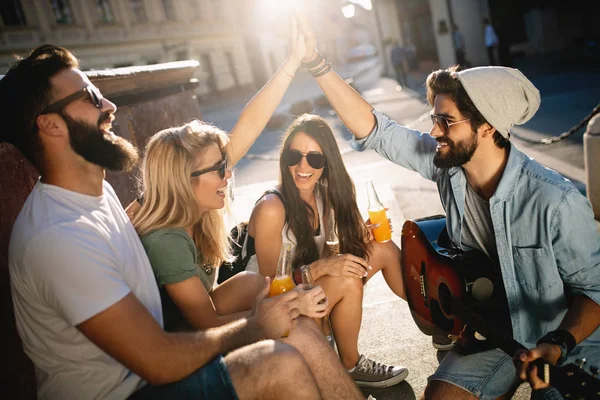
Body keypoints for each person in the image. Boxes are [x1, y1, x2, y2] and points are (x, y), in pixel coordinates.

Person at [3, 44, 367, 400]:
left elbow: (243, 132)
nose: (109, 105)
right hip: (133, 389)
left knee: (298, 329)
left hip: (154, 371)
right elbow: (158, 360)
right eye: (91, 98)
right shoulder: (59, 237)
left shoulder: (97, 196)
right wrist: (256, 324)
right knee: (279, 361)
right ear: (50, 124)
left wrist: (293, 61)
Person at [294, 12, 600, 400]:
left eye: (446, 120)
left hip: (565, 348)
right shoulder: (449, 168)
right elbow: (376, 130)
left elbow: (595, 291)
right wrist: (314, 62)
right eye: (434, 118)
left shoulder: (556, 201)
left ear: (487, 126)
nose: (434, 130)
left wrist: (557, 344)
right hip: (490, 331)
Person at [132, 32, 328, 334]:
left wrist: (292, 62)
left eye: (225, 165)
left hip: (205, 318)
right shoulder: (167, 240)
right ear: (182, 182)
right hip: (183, 347)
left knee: (257, 285)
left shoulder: (194, 197)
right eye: (219, 169)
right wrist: (282, 309)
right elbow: (208, 328)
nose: (228, 174)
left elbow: (249, 124)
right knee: (285, 309)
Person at [244, 113, 409, 388]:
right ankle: (350, 364)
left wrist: (363, 233)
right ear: (284, 158)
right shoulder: (272, 207)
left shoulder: (324, 195)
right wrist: (321, 268)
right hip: (275, 311)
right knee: (347, 280)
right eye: (294, 156)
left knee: (383, 247)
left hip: (310, 293)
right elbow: (270, 285)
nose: (302, 166)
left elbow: (336, 253)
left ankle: (437, 321)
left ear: (326, 162)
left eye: (315, 158)